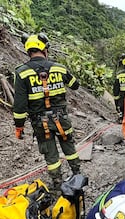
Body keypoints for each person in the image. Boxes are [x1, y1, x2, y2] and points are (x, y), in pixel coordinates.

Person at [13, 33, 81, 191]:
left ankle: (57, 183)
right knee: (68, 145)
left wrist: (19, 127)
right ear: (44, 50)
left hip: (40, 122)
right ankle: (77, 174)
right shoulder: (58, 68)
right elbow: (75, 85)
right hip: (61, 118)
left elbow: (20, 105)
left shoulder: (22, 72)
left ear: (29, 51)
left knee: (50, 153)